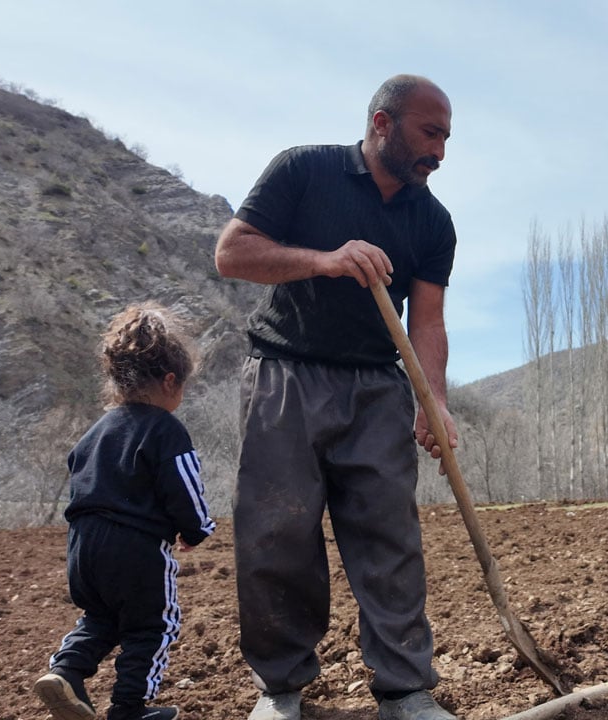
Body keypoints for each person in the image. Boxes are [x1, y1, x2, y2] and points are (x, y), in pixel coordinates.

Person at [214, 74, 460, 720]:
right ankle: (281, 689)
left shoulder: (433, 221)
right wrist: (324, 261)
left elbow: (427, 321)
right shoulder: (303, 170)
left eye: (446, 138)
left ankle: (406, 691)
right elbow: (231, 253)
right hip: (285, 375)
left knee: (389, 536)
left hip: (377, 387)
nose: (440, 152)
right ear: (382, 123)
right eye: (429, 134)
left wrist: (431, 398)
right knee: (277, 533)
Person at [34, 303, 216, 720]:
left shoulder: (96, 430)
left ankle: (66, 672)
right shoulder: (165, 428)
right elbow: (183, 483)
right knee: (154, 624)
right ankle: (129, 708)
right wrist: (196, 528)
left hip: (82, 548)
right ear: (170, 380)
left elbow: (79, 474)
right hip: (135, 548)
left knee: (101, 615)